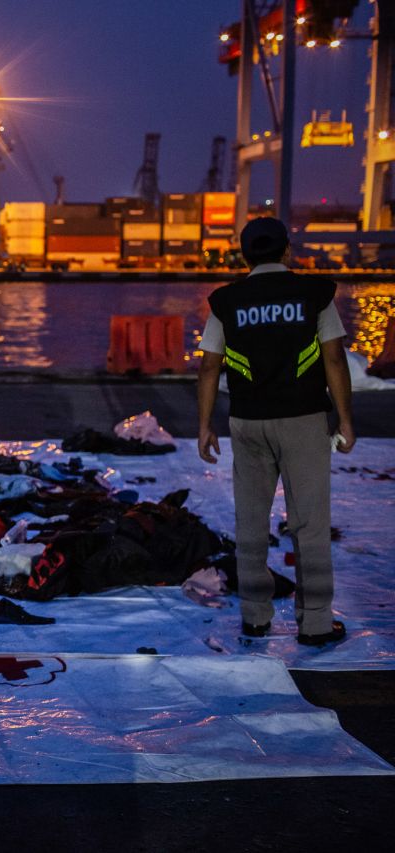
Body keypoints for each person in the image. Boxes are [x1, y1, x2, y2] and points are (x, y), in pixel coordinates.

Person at [195, 216, 354, 647]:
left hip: (247, 422)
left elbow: (210, 366)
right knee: (309, 523)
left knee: (250, 521)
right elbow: (334, 360)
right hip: (303, 419)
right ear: (287, 252)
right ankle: (316, 622)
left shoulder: (227, 301)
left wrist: (205, 425)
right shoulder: (314, 294)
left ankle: (255, 618)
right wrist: (345, 418)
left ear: (245, 256)